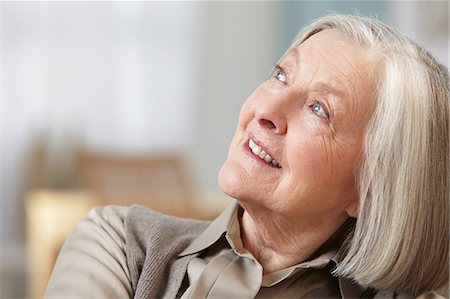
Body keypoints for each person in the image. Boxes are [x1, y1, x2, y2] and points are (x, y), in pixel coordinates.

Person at [45, 14, 449, 299]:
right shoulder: (122, 244)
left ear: (373, 188)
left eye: (319, 109)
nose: (267, 112)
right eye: (281, 75)